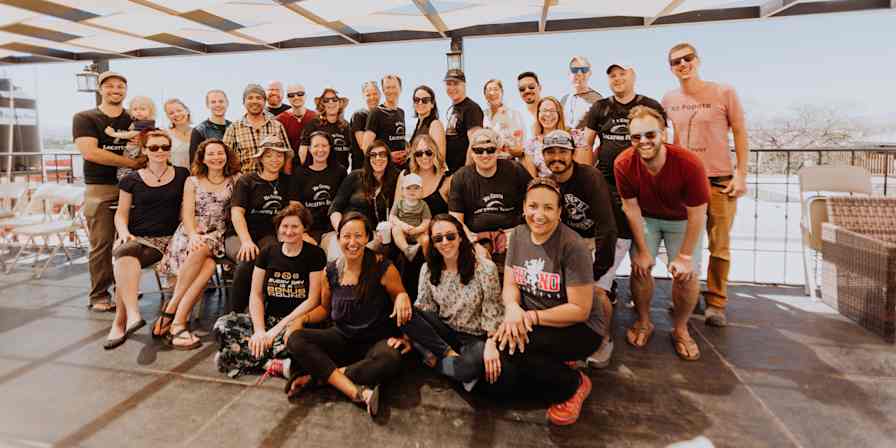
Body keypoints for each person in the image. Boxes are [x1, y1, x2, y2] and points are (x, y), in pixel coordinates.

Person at [491, 177, 609, 426]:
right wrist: (513, 309)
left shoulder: (572, 245)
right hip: (535, 321)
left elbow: (580, 310)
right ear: (524, 207)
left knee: (515, 353)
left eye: (548, 207)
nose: (539, 214)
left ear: (559, 212)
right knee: (504, 364)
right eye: (533, 206)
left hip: (580, 327)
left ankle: (574, 385)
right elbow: (510, 285)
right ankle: (555, 365)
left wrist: (529, 317)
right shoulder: (519, 236)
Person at [283, 212, 412, 418]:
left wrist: (403, 298)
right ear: (338, 238)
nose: (352, 242)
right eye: (346, 236)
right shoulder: (331, 271)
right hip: (342, 338)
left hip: (376, 341)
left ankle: (320, 378)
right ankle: (355, 391)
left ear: (368, 238)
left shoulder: (384, 268)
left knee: (390, 360)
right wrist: (301, 320)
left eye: (358, 236)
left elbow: (400, 299)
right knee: (296, 339)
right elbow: (324, 309)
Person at [662, 43, 749, 327]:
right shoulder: (669, 99)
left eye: (687, 58)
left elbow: (739, 132)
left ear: (698, 60)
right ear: (671, 68)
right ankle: (689, 294)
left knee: (719, 246)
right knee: (684, 246)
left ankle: (716, 302)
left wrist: (741, 174)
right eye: (676, 61)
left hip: (719, 181)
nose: (683, 64)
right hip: (683, 185)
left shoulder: (723, 92)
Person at [614, 105, 709, 361]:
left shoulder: (689, 164)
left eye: (650, 135)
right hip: (648, 218)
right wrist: (644, 252)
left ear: (663, 134)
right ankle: (644, 321)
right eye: (636, 137)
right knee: (640, 267)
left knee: (687, 277)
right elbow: (631, 209)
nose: (643, 142)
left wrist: (686, 256)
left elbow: (698, 213)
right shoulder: (623, 163)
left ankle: (680, 328)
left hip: (682, 220)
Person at [583, 62, 666, 305]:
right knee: (612, 241)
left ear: (633, 76)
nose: (617, 78)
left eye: (622, 74)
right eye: (612, 75)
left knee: (642, 247)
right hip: (608, 185)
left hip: (643, 186)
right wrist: (591, 176)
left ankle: (641, 303)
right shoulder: (600, 107)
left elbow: (665, 142)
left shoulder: (651, 105)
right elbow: (587, 144)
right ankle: (605, 288)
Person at [214, 204, 325, 378]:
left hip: (295, 322)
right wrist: (259, 331)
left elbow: (312, 299)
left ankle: (238, 356)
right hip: (269, 319)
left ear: (304, 228)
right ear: (278, 228)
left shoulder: (315, 254)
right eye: (285, 226)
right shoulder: (268, 252)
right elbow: (256, 294)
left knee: (297, 343)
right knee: (223, 324)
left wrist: (276, 331)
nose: (289, 231)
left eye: (295, 226)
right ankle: (270, 363)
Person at [103, 129, 189, 349]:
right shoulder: (130, 179)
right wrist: (123, 232)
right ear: (144, 150)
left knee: (124, 257)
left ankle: (120, 322)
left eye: (164, 147)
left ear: (170, 150)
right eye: (153, 147)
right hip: (139, 236)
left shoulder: (182, 175)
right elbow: (121, 214)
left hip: (170, 240)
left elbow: (186, 209)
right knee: (124, 252)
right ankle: (132, 315)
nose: (160, 151)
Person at [539, 130, 617, 368]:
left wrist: (597, 270)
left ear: (572, 153)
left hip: (602, 238)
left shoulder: (590, 177)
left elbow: (607, 226)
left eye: (562, 151)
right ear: (543, 155)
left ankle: (604, 338)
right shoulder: (550, 183)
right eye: (551, 152)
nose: (557, 157)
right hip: (574, 241)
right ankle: (575, 336)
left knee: (597, 291)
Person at [153, 139, 240, 349]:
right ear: (202, 158)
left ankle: (172, 309)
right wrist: (192, 234)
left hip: (217, 232)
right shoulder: (192, 181)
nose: (216, 157)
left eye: (220, 153)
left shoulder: (236, 179)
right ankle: (178, 322)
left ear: (227, 156)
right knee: (208, 265)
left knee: (202, 248)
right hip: (191, 232)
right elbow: (187, 212)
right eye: (210, 154)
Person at [400, 214, 502, 388]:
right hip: (443, 331)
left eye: (450, 236)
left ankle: (434, 361)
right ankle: (448, 356)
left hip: (474, 338)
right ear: (432, 242)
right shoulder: (428, 269)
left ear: (461, 237)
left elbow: (493, 313)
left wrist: (492, 344)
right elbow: (424, 307)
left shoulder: (485, 269)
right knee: (403, 311)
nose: (445, 242)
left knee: (472, 367)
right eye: (438, 239)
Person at [73, 71, 141, 312]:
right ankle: (99, 295)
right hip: (100, 187)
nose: (115, 90)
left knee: (131, 240)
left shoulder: (133, 118)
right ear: (101, 90)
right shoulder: (85, 117)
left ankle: (127, 287)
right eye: (110, 86)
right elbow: (91, 152)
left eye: (120, 86)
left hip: (134, 187)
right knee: (101, 243)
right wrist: (132, 164)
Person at [225, 136, 293, 314]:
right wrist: (246, 241)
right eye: (269, 155)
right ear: (260, 158)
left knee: (273, 259)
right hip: (240, 234)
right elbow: (237, 213)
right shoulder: (247, 181)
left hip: (269, 234)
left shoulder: (288, 181)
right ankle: (236, 313)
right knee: (247, 261)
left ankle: (265, 309)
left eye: (279, 155)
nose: (274, 159)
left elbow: (292, 212)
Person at [448, 128, 532, 263]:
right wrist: (473, 244)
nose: (485, 155)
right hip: (475, 236)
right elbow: (456, 220)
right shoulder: (461, 177)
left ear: (498, 151)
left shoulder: (515, 169)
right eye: (479, 150)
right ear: (472, 153)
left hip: (513, 234)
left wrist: (521, 234)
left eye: (490, 150)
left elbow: (533, 199)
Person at [329, 140, 399, 239]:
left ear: (388, 158)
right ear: (368, 159)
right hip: (349, 231)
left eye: (382, 154)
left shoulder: (397, 179)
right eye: (373, 155)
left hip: (379, 235)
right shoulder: (354, 176)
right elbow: (335, 209)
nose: (378, 158)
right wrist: (342, 231)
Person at [289, 131, 348, 246]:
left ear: (330, 148)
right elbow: (294, 206)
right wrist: (303, 233)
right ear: (310, 149)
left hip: (332, 227)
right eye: (316, 146)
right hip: (308, 229)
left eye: (324, 145)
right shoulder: (299, 173)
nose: (320, 150)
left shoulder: (340, 171)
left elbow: (344, 203)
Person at [223, 84, 292, 174]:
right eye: (250, 98)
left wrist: (287, 180)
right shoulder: (233, 128)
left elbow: (288, 155)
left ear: (264, 101)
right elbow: (225, 157)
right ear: (244, 102)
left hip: (273, 182)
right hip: (245, 182)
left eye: (258, 98)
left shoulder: (277, 126)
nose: (254, 101)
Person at [362, 75, 407, 169]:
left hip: (402, 169)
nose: (391, 91)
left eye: (394, 87)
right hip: (385, 170)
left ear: (400, 89)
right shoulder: (376, 112)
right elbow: (366, 147)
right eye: (387, 88)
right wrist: (388, 156)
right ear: (383, 90)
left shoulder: (401, 112)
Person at [443, 69, 483, 174]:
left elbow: (475, 143)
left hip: (465, 172)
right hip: (453, 171)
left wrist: (466, 172)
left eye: (456, 83)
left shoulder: (471, 108)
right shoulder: (455, 108)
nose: (452, 88)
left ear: (464, 85)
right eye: (448, 84)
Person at [298, 88, 351, 169]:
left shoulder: (347, 126)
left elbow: (353, 152)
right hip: (317, 175)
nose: (331, 102)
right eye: (326, 100)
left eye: (334, 99)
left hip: (341, 177)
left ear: (340, 103)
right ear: (322, 105)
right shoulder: (313, 124)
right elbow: (303, 152)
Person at [111, 96, 156, 181]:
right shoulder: (137, 122)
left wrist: (114, 134)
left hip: (136, 150)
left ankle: (125, 178)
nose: (138, 112)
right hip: (136, 150)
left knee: (127, 165)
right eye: (135, 109)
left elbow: (132, 133)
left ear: (150, 111)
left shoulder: (146, 123)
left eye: (142, 109)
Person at [521, 96, 568, 178]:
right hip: (545, 187)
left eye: (552, 111)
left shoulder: (571, 137)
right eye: (544, 110)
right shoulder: (531, 144)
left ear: (559, 114)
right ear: (538, 114)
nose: (548, 114)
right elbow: (533, 178)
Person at [389, 173, 431, 261]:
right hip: (403, 231)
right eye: (408, 188)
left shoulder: (423, 205)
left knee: (426, 239)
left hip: (417, 232)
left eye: (416, 188)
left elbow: (426, 221)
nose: (412, 191)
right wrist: (402, 225)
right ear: (402, 190)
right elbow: (392, 217)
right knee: (395, 230)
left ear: (421, 190)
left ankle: (427, 260)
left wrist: (418, 229)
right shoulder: (399, 203)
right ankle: (407, 250)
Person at [276, 83, 318, 167]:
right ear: (287, 98)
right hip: (289, 170)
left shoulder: (316, 117)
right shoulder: (280, 120)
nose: (296, 97)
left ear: (305, 96)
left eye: (300, 94)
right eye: (291, 95)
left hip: (313, 169)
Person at [482, 79, 524, 159]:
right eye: (489, 90)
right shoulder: (481, 115)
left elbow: (519, 145)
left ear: (502, 92)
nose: (492, 93)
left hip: (507, 160)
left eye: (496, 89)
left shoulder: (514, 115)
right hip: (486, 161)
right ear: (485, 95)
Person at [189, 89, 231, 163]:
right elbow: (194, 161)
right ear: (208, 105)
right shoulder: (199, 130)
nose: (218, 105)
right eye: (213, 102)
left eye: (221, 101)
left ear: (227, 103)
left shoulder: (234, 127)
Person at [560, 56, 602, 129]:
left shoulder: (597, 99)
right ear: (569, 73)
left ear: (590, 73)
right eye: (574, 70)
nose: (579, 73)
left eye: (584, 69)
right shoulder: (564, 99)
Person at [409, 85, 446, 165]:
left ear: (432, 104)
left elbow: (440, 157)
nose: (420, 103)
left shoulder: (435, 125)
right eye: (416, 100)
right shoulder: (419, 124)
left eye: (425, 100)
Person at [350, 81, 380, 171]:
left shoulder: (381, 115)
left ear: (380, 95)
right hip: (362, 170)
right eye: (368, 95)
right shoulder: (359, 115)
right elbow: (364, 147)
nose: (372, 97)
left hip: (379, 169)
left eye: (375, 94)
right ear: (363, 96)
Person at [516, 72, 542, 140]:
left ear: (539, 88)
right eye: (522, 89)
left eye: (531, 87)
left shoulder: (553, 110)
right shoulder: (517, 117)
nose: (527, 91)